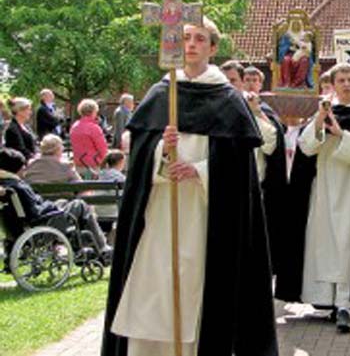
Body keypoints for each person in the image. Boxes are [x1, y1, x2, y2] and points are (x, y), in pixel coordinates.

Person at [102, 19, 278, 356]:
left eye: (200, 39)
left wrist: (199, 171)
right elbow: (138, 165)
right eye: (185, 38)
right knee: (153, 290)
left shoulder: (228, 99)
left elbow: (242, 172)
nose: (192, 44)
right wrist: (159, 153)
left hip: (205, 216)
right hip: (160, 213)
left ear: (213, 48)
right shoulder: (159, 95)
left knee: (197, 291)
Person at [276, 62, 350, 334]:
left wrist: (341, 134)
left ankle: (345, 304)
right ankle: (324, 298)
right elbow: (306, 147)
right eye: (342, 80)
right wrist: (319, 121)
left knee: (349, 245)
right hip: (323, 189)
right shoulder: (324, 112)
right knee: (323, 243)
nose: (347, 84)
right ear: (334, 84)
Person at [0, 147, 111, 257]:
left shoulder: (6, 185)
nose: (25, 168)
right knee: (80, 205)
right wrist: (51, 206)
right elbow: (36, 213)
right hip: (40, 228)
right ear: (16, 168)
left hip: (21, 228)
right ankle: (101, 248)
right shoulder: (18, 187)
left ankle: (83, 248)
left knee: (62, 202)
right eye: (22, 166)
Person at [242, 65, 287, 274]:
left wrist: (257, 112)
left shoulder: (267, 111)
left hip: (258, 182)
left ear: (261, 84)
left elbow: (271, 144)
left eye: (254, 79)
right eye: (247, 79)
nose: (250, 83)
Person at [70, 99, 109, 179]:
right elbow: (102, 148)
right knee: (94, 189)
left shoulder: (74, 126)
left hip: (78, 164)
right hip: (93, 166)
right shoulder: (94, 128)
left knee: (82, 189)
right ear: (94, 111)